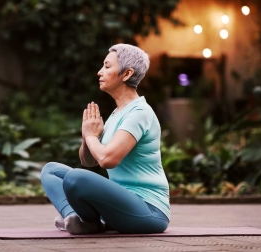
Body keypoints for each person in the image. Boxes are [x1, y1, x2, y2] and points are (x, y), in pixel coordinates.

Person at [40, 43, 170, 234]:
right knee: (51, 171)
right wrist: (87, 136)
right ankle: (76, 219)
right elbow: (89, 161)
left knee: (75, 178)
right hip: (121, 205)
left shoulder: (140, 112)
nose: (100, 72)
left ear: (126, 74)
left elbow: (108, 160)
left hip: (149, 210)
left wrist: (92, 136)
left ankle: (90, 222)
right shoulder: (117, 113)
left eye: (107, 66)